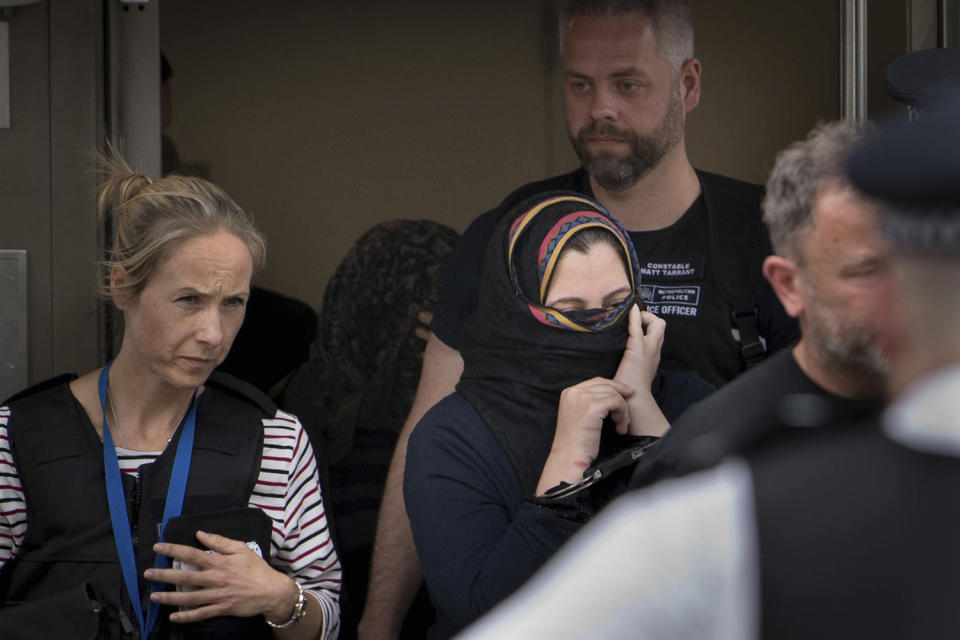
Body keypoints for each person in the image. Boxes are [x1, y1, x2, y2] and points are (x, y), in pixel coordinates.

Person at [361, 2, 798, 635]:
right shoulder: (505, 239)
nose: (601, 110)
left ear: (689, 84)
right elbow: (431, 428)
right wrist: (378, 622)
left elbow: (809, 446)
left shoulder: (764, 236)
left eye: (628, 83)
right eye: (579, 85)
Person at [456, 105, 960, 639]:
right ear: (788, 285)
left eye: (893, 270)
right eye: (862, 271)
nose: (881, 297)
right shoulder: (728, 492)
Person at [0, 150, 341, 639]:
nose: (213, 333)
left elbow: (327, 617)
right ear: (123, 287)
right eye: (189, 300)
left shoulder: (275, 441)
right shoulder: (16, 438)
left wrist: (282, 598)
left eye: (233, 304)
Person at [403, 192, 713, 638]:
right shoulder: (453, 439)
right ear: (515, 311)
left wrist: (642, 410)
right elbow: (486, 617)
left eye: (617, 304)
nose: (598, 325)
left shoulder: (690, 403)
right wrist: (564, 468)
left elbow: (724, 567)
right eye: (570, 312)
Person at [630, 120, 891, 488]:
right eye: (866, 271)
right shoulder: (711, 456)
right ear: (790, 285)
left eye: (921, 266)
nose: (905, 293)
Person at [282, 219, 460, 640]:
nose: (428, 342)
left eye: (447, 317)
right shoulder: (298, 420)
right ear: (369, 303)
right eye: (414, 320)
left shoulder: (467, 425)